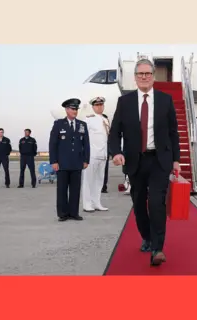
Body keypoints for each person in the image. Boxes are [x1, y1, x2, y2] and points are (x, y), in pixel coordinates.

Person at [109, 58, 181, 267]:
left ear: (153, 76)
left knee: (157, 203)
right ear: (135, 77)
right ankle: (147, 237)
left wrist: (176, 159)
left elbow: (173, 132)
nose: (144, 77)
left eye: (148, 74)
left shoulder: (165, 100)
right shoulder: (125, 102)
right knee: (139, 203)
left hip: (159, 160)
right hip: (135, 161)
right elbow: (115, 132)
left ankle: (158, 248)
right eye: (140, 74)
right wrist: (116, 152)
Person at [49, 98, 90, 221]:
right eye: (72, 109)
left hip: (77, 163)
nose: (75, 111)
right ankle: (62, 214)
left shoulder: (82, 125)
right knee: (62, 190)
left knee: (75, 189)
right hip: (62, 163)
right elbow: (53, 144)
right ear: (66, 110)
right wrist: (54, 161)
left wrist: (86, 159)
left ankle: (74, 213)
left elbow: (86, 144)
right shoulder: (58, 124)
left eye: (76, 109)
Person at [82, 97, 109, 212]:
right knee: (88, 181)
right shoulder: (89, 119)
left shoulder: (106, 119)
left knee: (99, 181)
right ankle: (87, 204)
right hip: (92, 155)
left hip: (103, 154)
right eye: (97, 105)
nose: (99, 107)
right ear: (93, 107)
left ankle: (96, 202)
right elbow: (83, 138)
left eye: (101, 105)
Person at [101, 113, 110, 193]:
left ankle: (104, 186)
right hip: (98, 150)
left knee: (105, 169)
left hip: (106, 150)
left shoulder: (107, 127)